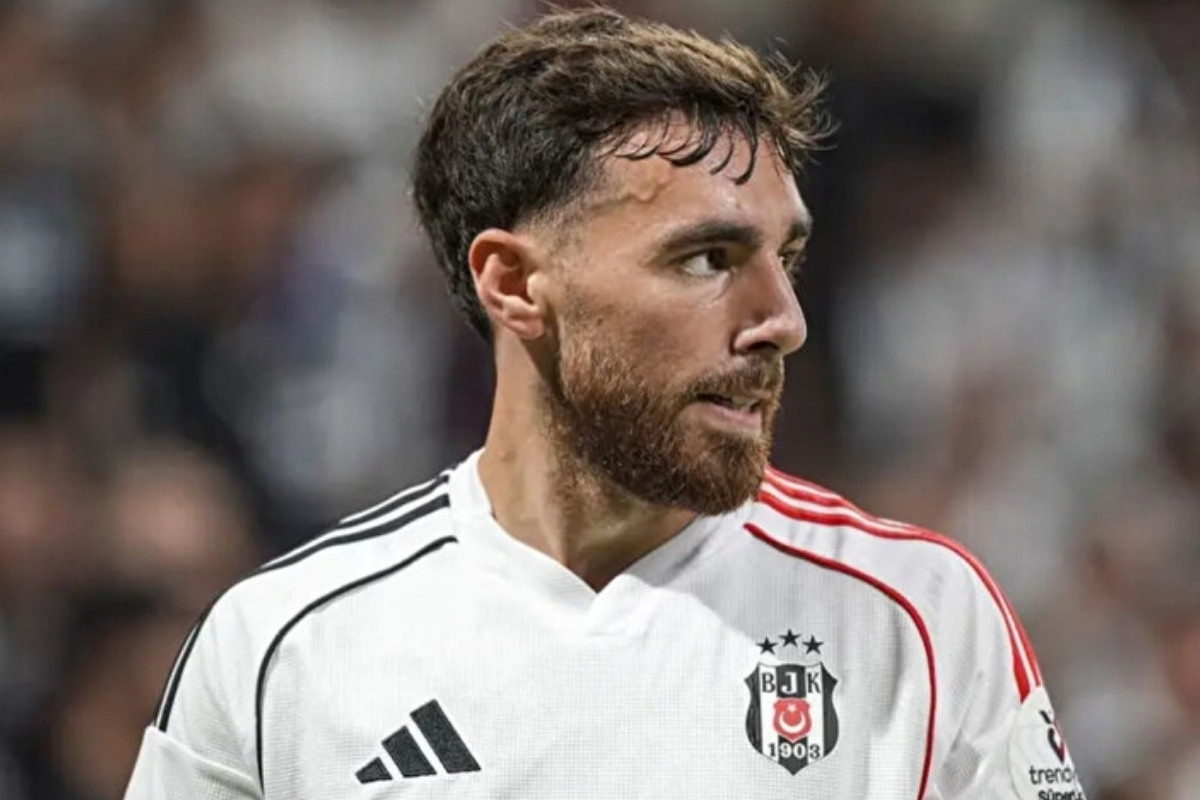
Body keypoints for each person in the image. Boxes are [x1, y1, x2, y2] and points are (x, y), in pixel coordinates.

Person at [123, 8, 1088, 799]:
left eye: (785, 259)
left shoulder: (918, 620)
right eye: (707, 258)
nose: (783, 322)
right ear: (514, 284)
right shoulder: (286, 649)